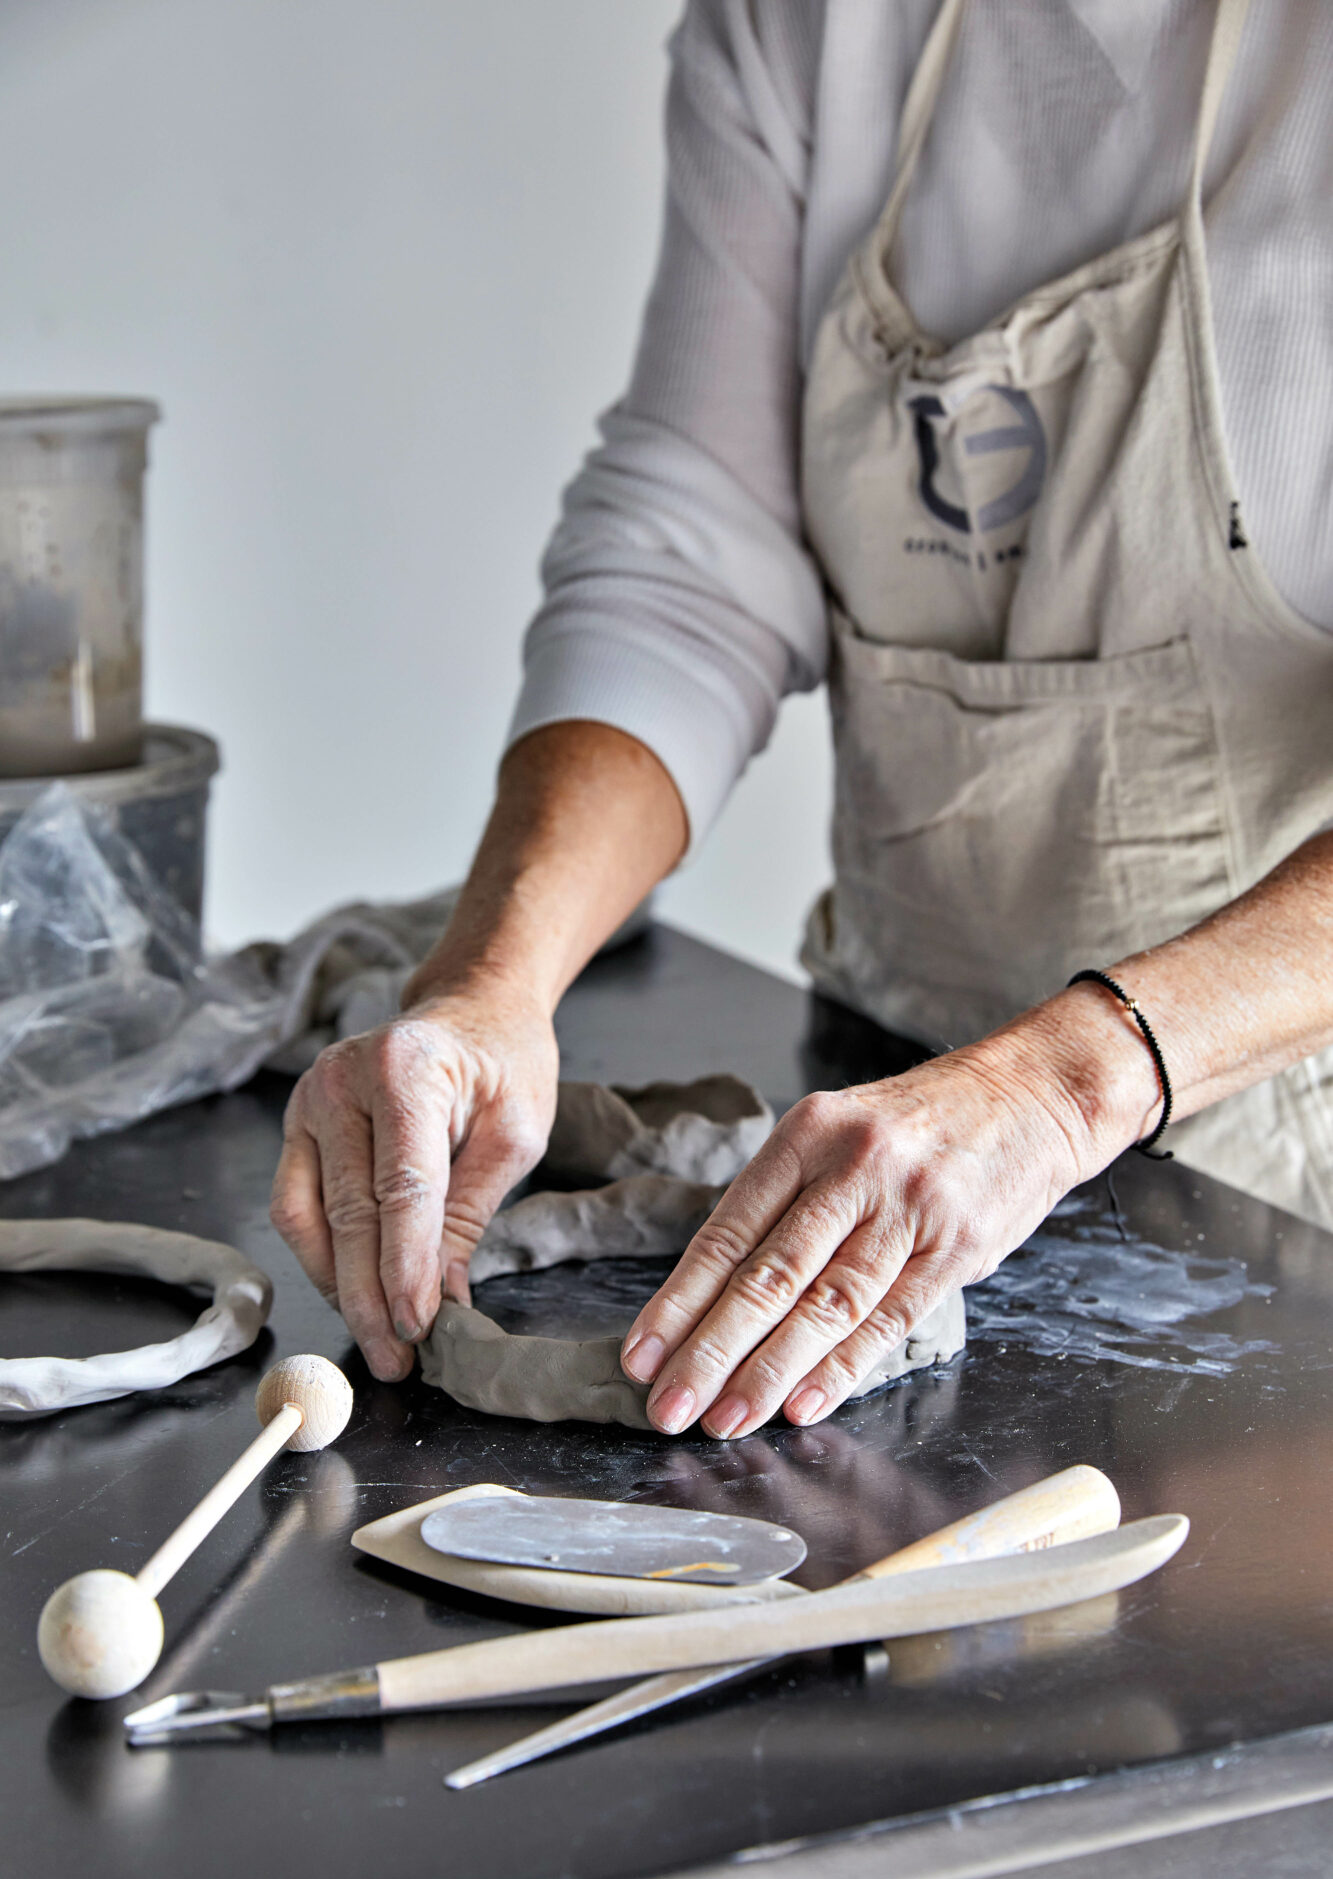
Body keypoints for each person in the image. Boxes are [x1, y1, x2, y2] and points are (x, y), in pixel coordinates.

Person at [271, 0, 1333, 1444]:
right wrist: (489, 980)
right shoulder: (806, 24)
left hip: (1290, 1204)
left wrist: (1063, 1086)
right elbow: (691, 557)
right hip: (886, 1112)